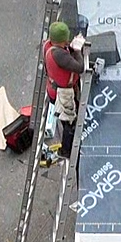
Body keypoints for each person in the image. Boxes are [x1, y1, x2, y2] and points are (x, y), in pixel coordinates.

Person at [42, 20, 87, 165]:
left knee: (66, 119)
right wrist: (78, 49)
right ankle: (66, 150)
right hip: (64, 95)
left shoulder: (48, 46)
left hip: (54, 90)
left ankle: (68, 145)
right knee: (69, 122)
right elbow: (79, 67)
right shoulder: (59, 55)